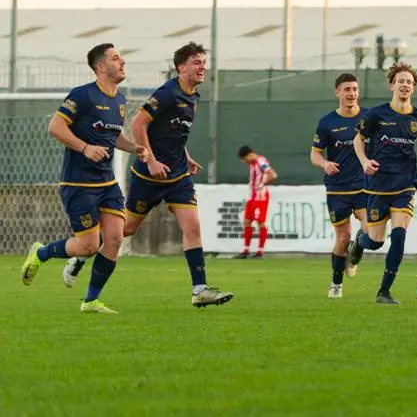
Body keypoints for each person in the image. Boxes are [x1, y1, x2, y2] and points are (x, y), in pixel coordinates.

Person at [21, 43, 148, 314]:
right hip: (79, 184)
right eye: (116, 58)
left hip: (107, 183)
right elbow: (54, 126)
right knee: (88, 246)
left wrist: (134, 147)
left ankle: (91, 300)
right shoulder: (83, 95)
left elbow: (113, 136)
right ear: (101, 67)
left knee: (114, 239)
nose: (123, 61)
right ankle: (41, 253)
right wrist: (85, 147)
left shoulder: (120, 100)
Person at [121, 42, 233, 308]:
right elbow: (138, 124)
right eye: (196, 62)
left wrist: (185, 155)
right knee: (126, 229)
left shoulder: (193, 96)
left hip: (178, 176)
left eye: (204, 62)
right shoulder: (168, 93)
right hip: (149, 177)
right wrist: (151, 161)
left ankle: (200, 289)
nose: (202, 67)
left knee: (192, 226)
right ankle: (82, 250)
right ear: (181, 67)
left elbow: (173, 133)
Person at [346, 62, 417, 304]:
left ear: (413, 88)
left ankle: (384, 291)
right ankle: (359, 243)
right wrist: (364, 161)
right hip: (378, 185)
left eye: (409, 82)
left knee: (399, 235)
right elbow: (358, 139)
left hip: (405, 184)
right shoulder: (377, 114)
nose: (405, 85)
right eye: (401, 81)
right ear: (392, 85)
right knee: (375, 241)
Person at [310, 73, 369, 298]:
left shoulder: (368, 118)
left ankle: (356, 254)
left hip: (364, 187)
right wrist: (325, 164)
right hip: (337, 189)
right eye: (347, 89)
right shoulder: (327, 122)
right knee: (343, 238)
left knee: (369, 229)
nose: (351, 93)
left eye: (354, 89)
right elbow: (314, 154)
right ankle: (336, 284)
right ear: (338, 92)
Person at [238, 146, 278, 258]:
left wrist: (262, 184)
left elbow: (272, 174)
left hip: (260, 196)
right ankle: (245, 250)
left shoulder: (260, 161)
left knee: (260, 222)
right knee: (247, 221)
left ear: (249, 155)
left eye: (245, 159)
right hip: (252, 195)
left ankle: (260, 252)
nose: (245, 162)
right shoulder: (252, 163)